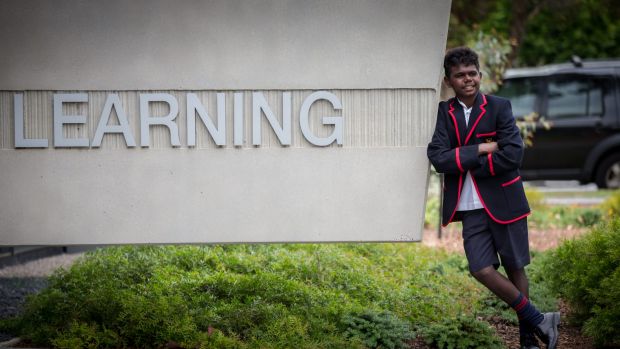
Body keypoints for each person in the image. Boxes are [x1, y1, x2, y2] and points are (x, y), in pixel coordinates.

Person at [427, 47, 560, 349]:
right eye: (460, 75)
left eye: (472, 73)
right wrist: (483, 149)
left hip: (506, 201)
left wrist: (468, 160)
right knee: (480, 268)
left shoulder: (499, 107)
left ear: (480, 75)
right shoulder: (444, 113)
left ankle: (528, 340)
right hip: (469, 206)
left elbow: (513, 154)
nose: (467, 80)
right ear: (449, 81)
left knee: (515, 267)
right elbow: (438, 158)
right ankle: (540, 319)